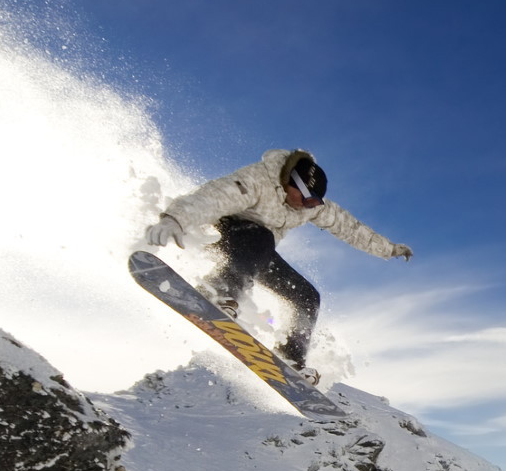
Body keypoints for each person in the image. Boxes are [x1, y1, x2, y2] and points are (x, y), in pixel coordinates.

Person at [144, 149, 412, 371]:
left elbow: (350, 228)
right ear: (290, 182)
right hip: (218, 233)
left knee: (307, 297)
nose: (307, 207)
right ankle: (218, 290)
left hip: (255, 253)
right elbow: (215, 196)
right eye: (305, 199)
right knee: (260, 237)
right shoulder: (258, 180)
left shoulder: (311, 207)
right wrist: (176, 218)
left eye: (313, 203)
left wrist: (389, 249)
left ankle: (291, 358)